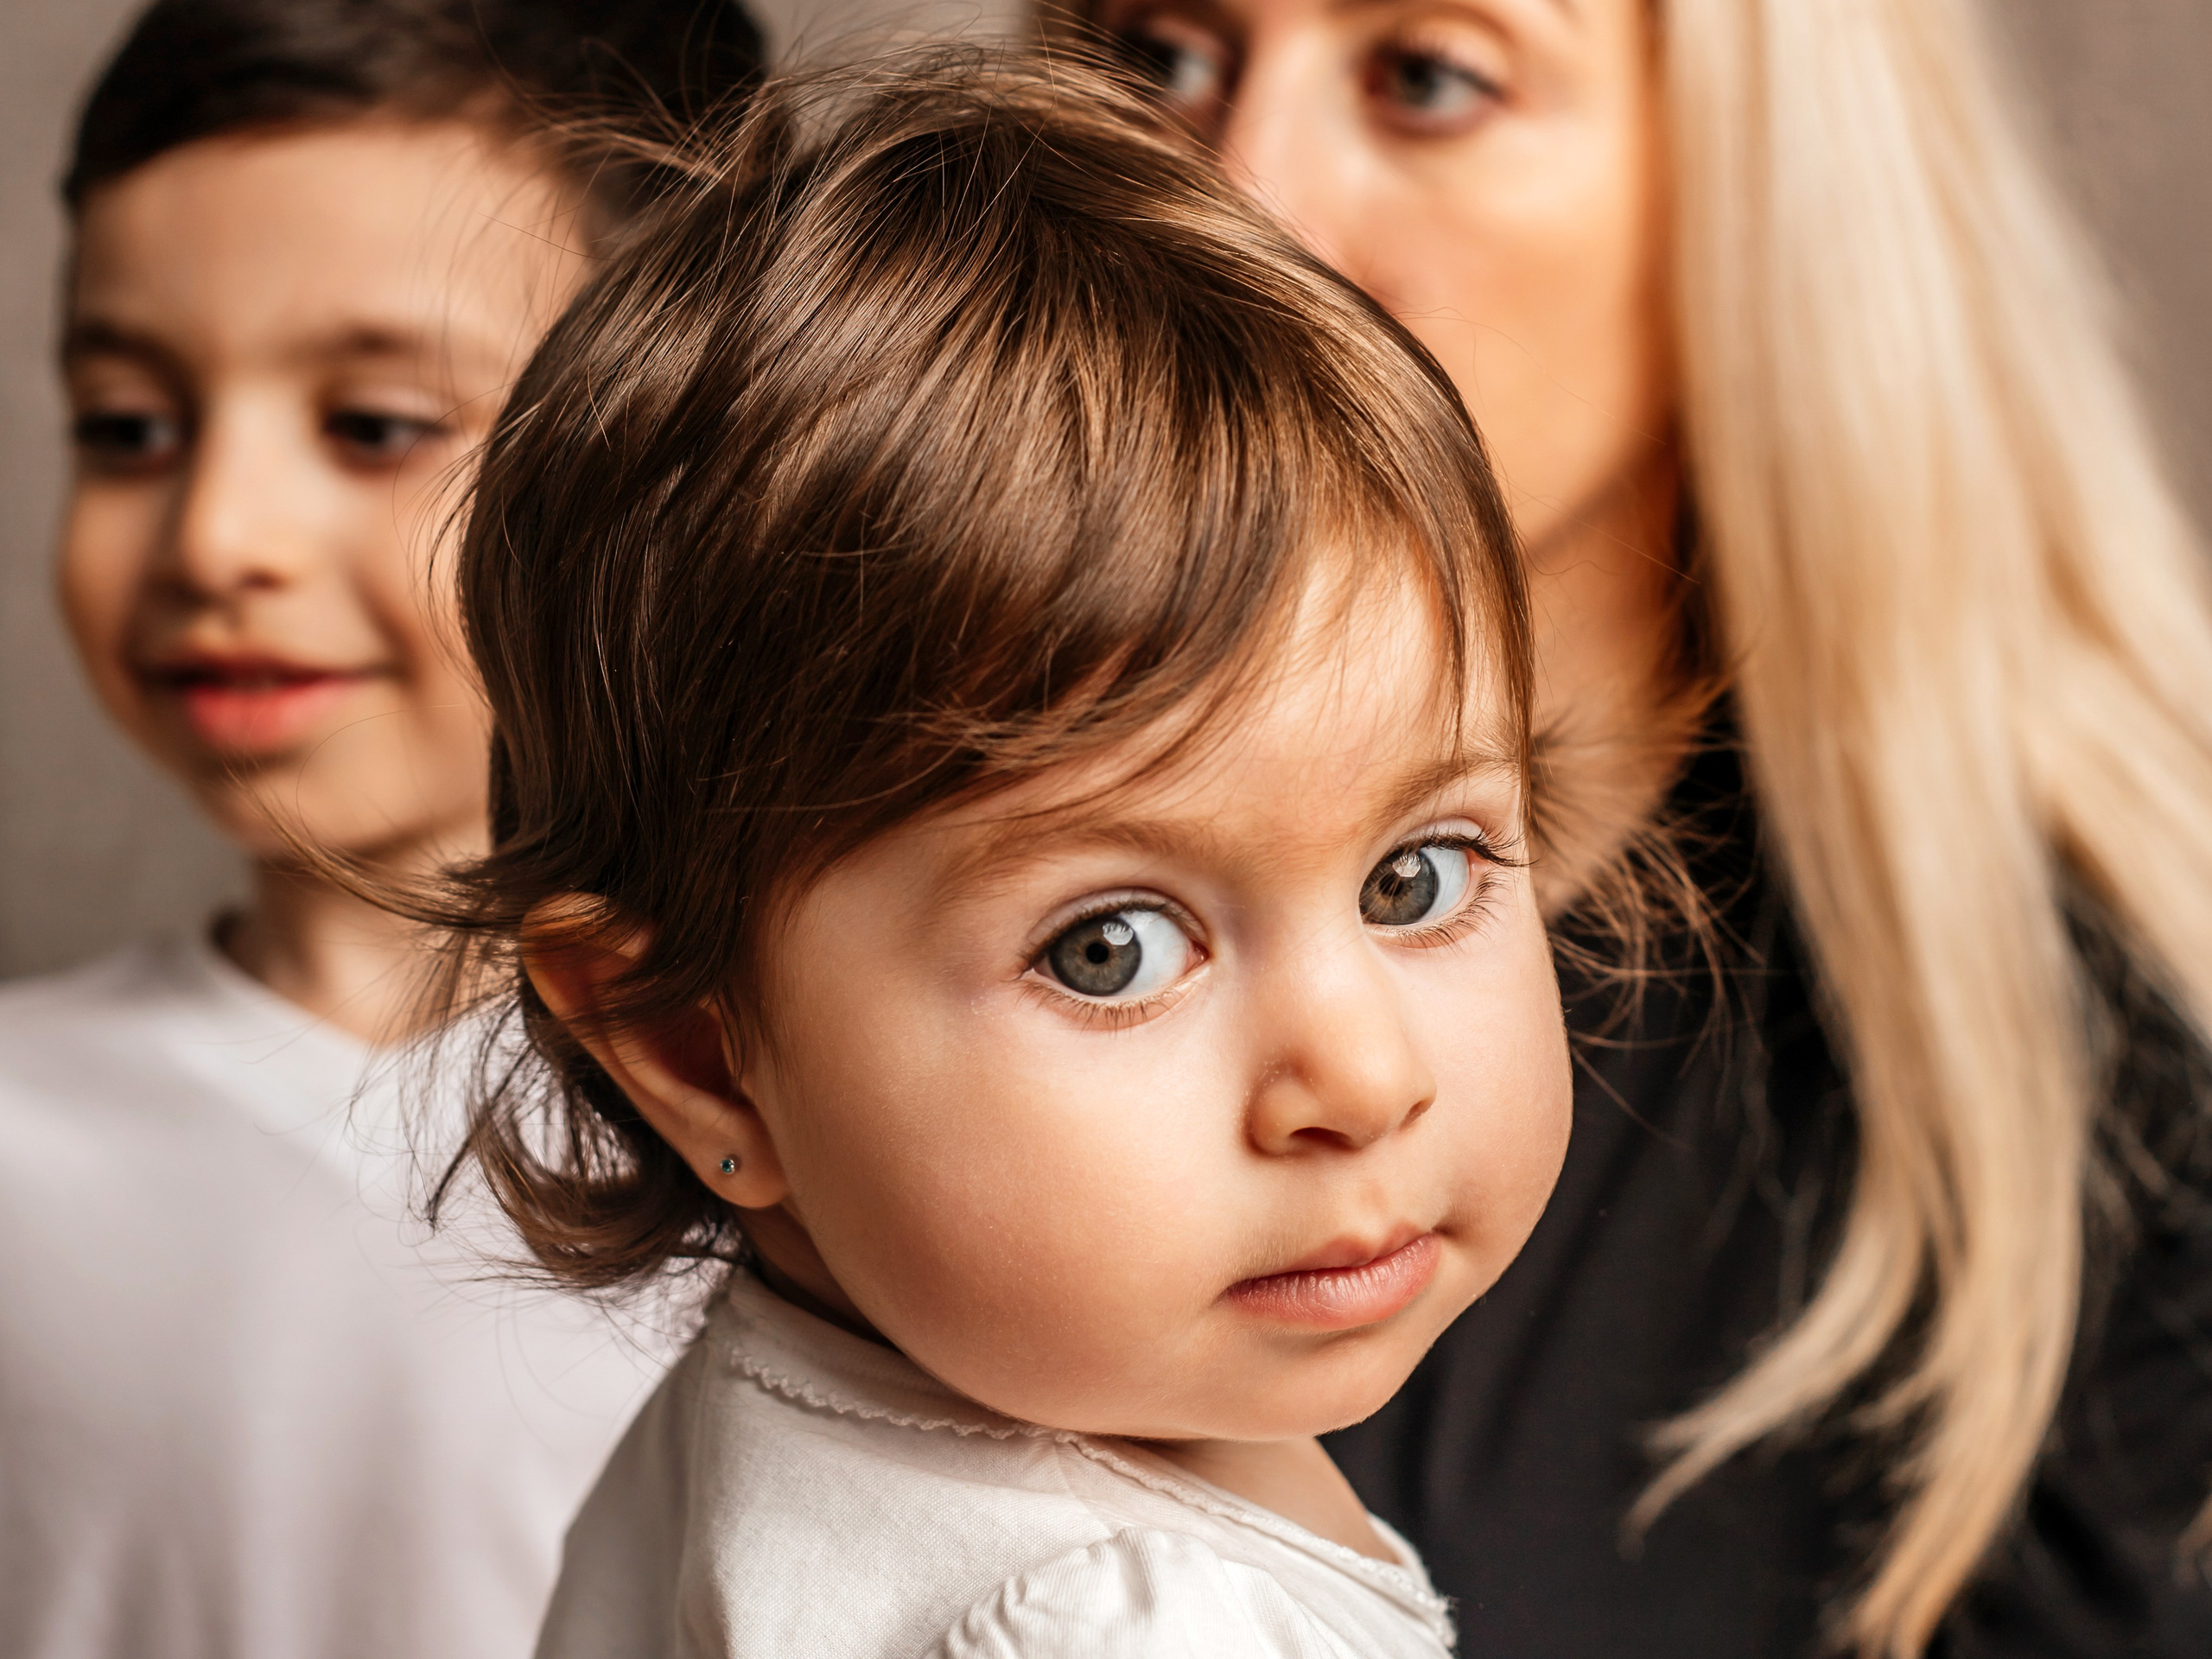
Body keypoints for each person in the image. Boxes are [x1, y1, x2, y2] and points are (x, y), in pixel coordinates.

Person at [1068, 0, 2212, 1653]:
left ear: (1761, 201)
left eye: (1427, 80)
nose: (1235, 199)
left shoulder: (2115, 1110)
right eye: (1162, 53)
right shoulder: (839, 886)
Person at [420, 54, 1570, 1657]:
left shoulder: (751, 1433)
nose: (1365, 1082)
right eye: (1112, 949)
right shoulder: (1121, 1624)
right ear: (700, 1051)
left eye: (1416, 878)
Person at [0, 3, 762, 1656]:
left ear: (686, 461)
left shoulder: (820, 1144)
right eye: (129, 427)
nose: (217, 535)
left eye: (374, 425)